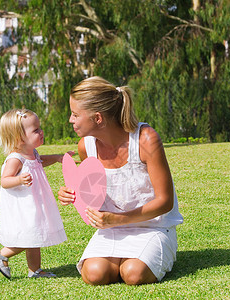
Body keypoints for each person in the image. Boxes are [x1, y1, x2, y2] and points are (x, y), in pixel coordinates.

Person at [58, 76, 183, 285]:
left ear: (98, 118)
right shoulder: (85, 147)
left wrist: (118, 219)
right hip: (112, 229)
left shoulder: (145, 139)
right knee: (94, 274)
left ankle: (146, 256)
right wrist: (73, 194)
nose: (70, 120)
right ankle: (124, 260)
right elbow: (94, 192)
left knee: (133, 273)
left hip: (153, 227)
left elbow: (165, 202)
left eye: (75, 114)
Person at [0, 108, 72, 279]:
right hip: (24, 204)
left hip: (35, 202)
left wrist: (58, 158)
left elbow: (41, 161)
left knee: (36, 233)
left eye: (39, 127)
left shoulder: (32, 153)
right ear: (19, 138)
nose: (41, 131)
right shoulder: (15, 158)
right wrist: (19, 180)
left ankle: (34, 270)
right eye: (36, 130)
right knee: (31, 235)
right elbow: (5, 180)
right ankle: (2, 254)